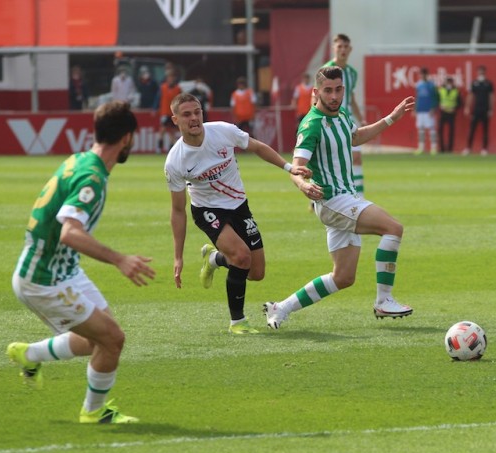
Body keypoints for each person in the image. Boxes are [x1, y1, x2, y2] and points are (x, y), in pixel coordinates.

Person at [6, 101, 154, 424]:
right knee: (112, 339)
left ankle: (29, 354)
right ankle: (94, 412)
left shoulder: (81, 160)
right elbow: (70, 234)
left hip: (62, 270)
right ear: (127, 138)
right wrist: (120, 259)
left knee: (99, 340)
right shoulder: (92, 178)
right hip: (44, 279)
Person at [262, 66, 415, 330]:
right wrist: (303, 185)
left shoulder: (342, 113)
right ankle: (384, 299)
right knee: (393, 228)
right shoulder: (311, 125)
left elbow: (355, 136)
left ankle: (281, 308)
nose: (334, 96)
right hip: (333, 201)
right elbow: (296, 167)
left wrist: (391, 118)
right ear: (316, 92)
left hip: (346, 199)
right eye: (328, 91)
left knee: (343, 278)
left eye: (338, 90)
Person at [165, 93, 312, 334]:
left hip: (239, 206)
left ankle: (215, 259)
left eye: (197, 112)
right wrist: (177, 257)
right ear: (175, 120)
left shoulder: (222, 131)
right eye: (186, 114)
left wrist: (289, 167)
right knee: (242, 257)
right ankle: (237, 321)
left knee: (256, 272)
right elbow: (177, 210)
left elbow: (257, 146)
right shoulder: (175, 161)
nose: (194, 118)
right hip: (208, 211)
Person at [322, 34, 366, 194]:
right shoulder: (325, 71)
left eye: (345, 47)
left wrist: (362, 119)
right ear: (333, 48)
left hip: (348, 121)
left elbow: (351, 97)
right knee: (330, 162)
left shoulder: (352, 73)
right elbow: (316, 98)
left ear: (350, 49)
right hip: (330, 122)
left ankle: (359, 198)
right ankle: (318, 197)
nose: (343, 50)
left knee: (356, 157)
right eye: (339, 46)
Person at [462, 65, 494, 156]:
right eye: (479, 72)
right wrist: (467, 107)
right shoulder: (474, 83)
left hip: (485, 109)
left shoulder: (488, 83)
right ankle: (468, 148)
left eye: (482, 72)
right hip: (476, 109)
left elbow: (491, 97)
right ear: (477, 72)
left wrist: (491, 109)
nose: (481, 73)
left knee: (485, 130)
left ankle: (484, 149)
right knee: (472, 129)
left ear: (485, 72)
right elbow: (470, 95)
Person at [413, 67, 438, 155]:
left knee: (431, 128)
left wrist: (433, 108)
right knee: (421, 129)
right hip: (420, 110)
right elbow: (417, 97)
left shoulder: (431, 85)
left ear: (427, 75)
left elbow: (435, 98)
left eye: (424, 74)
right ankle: (421, 147)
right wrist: (415, 109)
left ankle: (433, 148)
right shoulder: (418, 85)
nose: (422, 75)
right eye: (421, 74)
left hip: (428, 110)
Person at [156, 70, 182, 153]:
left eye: (172, 78)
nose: (170, 79)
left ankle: (171, 148)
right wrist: (155, 108)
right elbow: (158, 98)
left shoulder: (178, 88)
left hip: (173, 113)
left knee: (172, 132)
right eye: (169, 78)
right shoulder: (163, 87)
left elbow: (180, 100)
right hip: (165, 112)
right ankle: (159, 148)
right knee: (162, 130)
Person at [437, 77, 460, 153]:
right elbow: (437, 99)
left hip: (451, 113)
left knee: (451, 131)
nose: (449, 84)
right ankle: (442, 148)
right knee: (440, 130)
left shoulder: (456, 91)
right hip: (443, 113)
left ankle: (450, 149)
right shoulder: (441, 90)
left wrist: (454, 108)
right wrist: (440, 105)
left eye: (450, 83)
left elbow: (459, 103)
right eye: (448, 82)